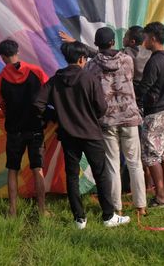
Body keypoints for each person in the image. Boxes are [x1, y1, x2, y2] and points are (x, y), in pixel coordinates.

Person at [34, 41, 130, 229]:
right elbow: (101, 108)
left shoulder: (56, 80)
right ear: (81, 59)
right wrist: (90, 115)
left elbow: (37, 103)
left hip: (68, 135)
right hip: (91, 133)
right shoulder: (89, 79)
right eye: (85, 59)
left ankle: (79, 218)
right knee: (101, 174)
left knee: (72, 176)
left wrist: (56, 116)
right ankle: (108, 216)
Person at [86, 27, 146, 216]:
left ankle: (117, 208)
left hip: (107, 119)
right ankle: (141, 206)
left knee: (112, 164)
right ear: (113, 42)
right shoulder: (127, 60)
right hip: (129, 116)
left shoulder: (91, 66)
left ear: (96, 44)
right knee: (134, 163)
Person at [0, 39, 48, 217]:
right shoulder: (37, 72)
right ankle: (42, 209)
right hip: (35, 128)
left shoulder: (0, 80)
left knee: (12, 169)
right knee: (37, 169)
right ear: (18, 51)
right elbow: (47, 96)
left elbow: (3, 106)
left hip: (14, 130)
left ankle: (13, 210)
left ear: (2, 57)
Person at [135, 22, 164, 209]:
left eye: (145, 37)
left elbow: (146, 86)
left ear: (152, 38)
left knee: (151, 156)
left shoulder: (154, 60)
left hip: (156, 113)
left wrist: (134, 97)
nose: (143, 41)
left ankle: (160, 196)